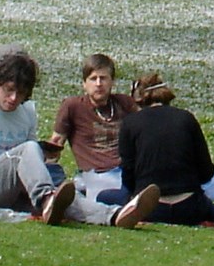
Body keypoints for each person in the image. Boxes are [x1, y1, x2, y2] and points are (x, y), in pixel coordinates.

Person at [118, 74, 214, 230]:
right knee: (213, 210)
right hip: (189, 207)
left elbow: (128, 175)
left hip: (151, 209)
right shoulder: (186, 118)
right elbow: (206, 172)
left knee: (105, 196)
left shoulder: (130, 123)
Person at [47, 52, 155, 227]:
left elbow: (148, 130)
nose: (99, 84)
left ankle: (136, 203)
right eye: (93, 79)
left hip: (127, 171)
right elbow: (55, 143)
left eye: (103, 78)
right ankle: (130, 206)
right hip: (96, 174)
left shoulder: (124, 104)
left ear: (112, 81)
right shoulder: (73, 106)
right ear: (84, 83)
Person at [0, 47, 70, 220]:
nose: (14, 98)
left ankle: (113, 215)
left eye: (21, 93)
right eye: (9, 90)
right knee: (28, 149)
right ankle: (46, 198)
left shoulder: (28, 110)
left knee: (68, 201)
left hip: (18, 186)